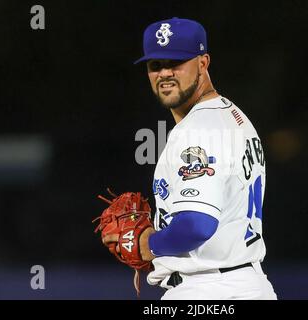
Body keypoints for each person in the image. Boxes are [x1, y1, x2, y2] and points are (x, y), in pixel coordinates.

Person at [104, 17, 277, 300]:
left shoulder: (197, 129)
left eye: (176, 62)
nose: (164, 73)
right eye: (155, 65)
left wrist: (149, 243)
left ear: (203, 62)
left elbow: (197, 224)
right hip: (244, 283)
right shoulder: (233, 116)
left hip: (209, 290)